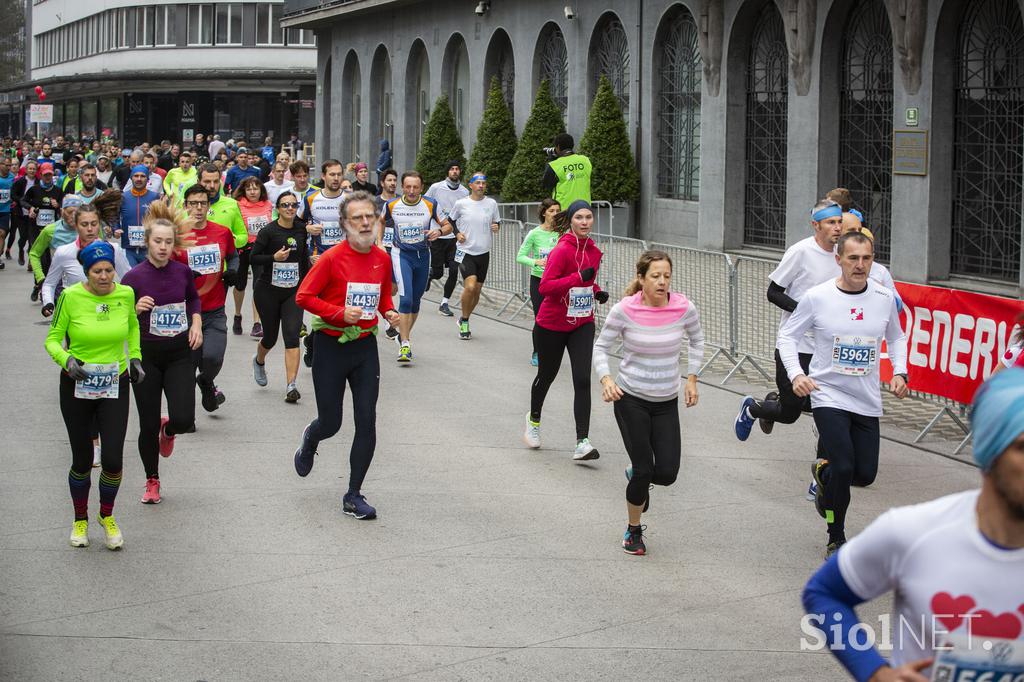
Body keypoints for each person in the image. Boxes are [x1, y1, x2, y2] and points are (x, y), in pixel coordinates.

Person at [802, 368, 1024, 681]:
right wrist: (875, 672)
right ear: (990, 451)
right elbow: (823, 593)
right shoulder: (913, 531)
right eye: (1022, 448)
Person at [779, 231, 908, 558]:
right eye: (853, 258)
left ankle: (824, 472)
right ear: (838, 260)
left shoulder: (882, 297)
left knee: (864, 473)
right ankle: (836, 535)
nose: (860, 265)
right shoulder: (818, 297)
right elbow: (787, 337)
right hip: (828, 395)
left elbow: (896, 338)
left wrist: (900, 371)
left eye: (867, 258)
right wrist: (796, 374)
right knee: (846, 465)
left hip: (865, 398)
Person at [292, 190, 400, 520]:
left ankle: (353, 494)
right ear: (344, 224)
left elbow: (381, 298)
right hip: (330, 344)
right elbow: (303, 297)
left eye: (370, 216)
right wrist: (340, 314)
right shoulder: (330, 259)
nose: (366, 222)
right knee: (332, 422)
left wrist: (390, 312)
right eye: (358, 218)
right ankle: (311, 437)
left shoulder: (381, 259)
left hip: (365, 346)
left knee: (367, 419)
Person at [593, 251, 704, 556]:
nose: (662, 281)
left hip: (666, 400)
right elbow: (601, 347)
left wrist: (691, 378)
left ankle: (638, 477)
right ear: (641, 278)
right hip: (631, 399)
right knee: (645, 469)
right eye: (655, 275)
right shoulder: (624, 309)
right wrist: (606, 380)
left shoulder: (683, 307)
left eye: (666, 275)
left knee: (666, 473)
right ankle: (633, 530)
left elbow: (697, 340)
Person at [44, 240, 145, 550]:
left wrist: (136, 357)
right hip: (77, 386)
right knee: (83, 459)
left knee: (113, 459)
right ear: (86, 273)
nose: (104, 277)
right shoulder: (71, 296)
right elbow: (52, 340)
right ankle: (80, 520)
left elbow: (131, 328)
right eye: (97, 272)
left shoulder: (125, 293)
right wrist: (67, 360)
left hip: (115, 384)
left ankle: (106, 515)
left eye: (109, 270)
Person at [734, 199, 844, 444]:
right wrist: (806, 312)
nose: (837, 227)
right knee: (790, 412)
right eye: (831, 223)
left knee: (827, 406)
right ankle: (753, 408)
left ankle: (827, 466)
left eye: (839, 222)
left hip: (827, 347)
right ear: (816, 225)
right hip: (796, 344)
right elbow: (773, 292)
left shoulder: (843, 254)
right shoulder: (800, 251)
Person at [121, 202, 202, 505]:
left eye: (169, 242)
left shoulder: (182, 272)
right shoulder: (133, 278)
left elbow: (193, 300)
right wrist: (133, 308)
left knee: (184, 419)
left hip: (180, 353)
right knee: (147, 423)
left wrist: (196, 324)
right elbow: (118, 316)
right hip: (147, 358)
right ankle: (151, 479)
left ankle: (170, 429)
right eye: (158, 241)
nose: (164, 247)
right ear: (147, 242)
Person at [523, 200, 609, 460]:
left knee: (582, 379)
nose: (585, 222)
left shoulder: (595, 251)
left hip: (582, 322)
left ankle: (582, 441)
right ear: (571, 220)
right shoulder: (561, 250)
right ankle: (533, 421)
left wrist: (596, 291)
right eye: (579, 217)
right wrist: (578, 278)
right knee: (547, 375)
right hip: (551, 324)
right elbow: (545, 287)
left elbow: (587, 282)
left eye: (589, 217)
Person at [173, 184, 239, 413]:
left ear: (209, 206)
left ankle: (207, 381)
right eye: (193, 203)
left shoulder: (221, 232)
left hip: (214, 308)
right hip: (185, 311)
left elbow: (233, 257)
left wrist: (233, 270)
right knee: (188, 364)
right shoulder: (177, 235)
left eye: (203, 203)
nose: (198, 208)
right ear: (185, 206)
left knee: (212, 357)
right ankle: (187, 417)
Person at [383, 171, 450, 362]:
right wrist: (380, 243)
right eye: (408, 187)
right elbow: (380, 222)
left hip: (423, 255)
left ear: (421, 188)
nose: (411, 191)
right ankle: (405, 344)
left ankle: (403, 337)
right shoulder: (392, 205)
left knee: (416, 301)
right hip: (401, 254)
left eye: (415, 187)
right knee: (406, 299)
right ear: (402, 187)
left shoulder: (430, 204)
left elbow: (448, 226)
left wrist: (439, 231)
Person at [249, 191, 309, 402]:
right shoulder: (268, 232)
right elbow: (253, 258)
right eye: (285, 205)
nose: (290, 209)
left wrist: (311, 266)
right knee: (271, 338)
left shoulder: (301, 230)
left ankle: (291, 385)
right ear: (278, 208)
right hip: (268, 292)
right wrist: (273, 258)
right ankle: (259, 360)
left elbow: (302, 259)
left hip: (293, 291)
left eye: (293, 205)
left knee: (292, 335)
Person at [41, 202, 131, 314]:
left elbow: (129, 280)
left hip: (105, 311)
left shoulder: (113, 249)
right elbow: (49, 284)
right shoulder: (63, 252)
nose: (89, 229)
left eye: (94, 224)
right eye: (84, 224)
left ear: (99, 225)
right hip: (75, 312)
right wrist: (48, 303)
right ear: (76, 226)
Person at [448, 172, 500, 340]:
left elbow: (497, 221)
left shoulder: (491, 203)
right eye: (477, 183)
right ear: (470, 185)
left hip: (483, 252)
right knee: (469, 287)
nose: (481, 186)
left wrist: (496, 226)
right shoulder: (461, 203)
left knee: (477, 290)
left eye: (483, 183)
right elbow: (451, 220)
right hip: (465, 251)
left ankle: (465, 318)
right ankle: (464, 322)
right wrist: (457, 234)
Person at [516, 198, 562, 365]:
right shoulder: (534, 233)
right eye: (551, 211)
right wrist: (536, 262)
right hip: (539, 281)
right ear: (544, 213)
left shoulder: (562, 233)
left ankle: (553, 351)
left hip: (558, 282)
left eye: (557, 211)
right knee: (541, 318)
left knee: (557, 317)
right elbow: (519, 257)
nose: (555, 214)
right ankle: (537, 351)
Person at [424, 161, 469, 317]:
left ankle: (444, 303)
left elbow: (466, 212)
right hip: (438, 234)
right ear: (447, 172)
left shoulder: (464, 192)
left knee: (454, 270)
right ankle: (430, 275)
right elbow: (425, 204)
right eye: (452, 169)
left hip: (454, 237)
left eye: (457, 169)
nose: (455, 171)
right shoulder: (436, 187)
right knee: (438, 273)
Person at [234, 176, 274, 337]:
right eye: (249, 188)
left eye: (255, 188)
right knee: (240, 285)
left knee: (258, 286)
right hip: (243, 249)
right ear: (244, 190)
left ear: (261, 190)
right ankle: (237, 315)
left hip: (261, 250)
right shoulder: (237, 205)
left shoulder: (268, 205)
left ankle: (257, 323)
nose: (252, 191)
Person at [116, 165, 161, 267]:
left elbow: (160, 219)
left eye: (142, 176)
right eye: (136, 176)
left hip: (148, 248)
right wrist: (116, 228)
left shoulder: (154, 196)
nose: (139, 179)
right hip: (128, 248)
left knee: (147, 278)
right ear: (131, 178)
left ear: (148, 179)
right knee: (131, 278)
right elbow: (115, 216)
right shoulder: (123, 197)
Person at [304, 159, 346, 256]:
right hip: (319, 256)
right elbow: (296, 222)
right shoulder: (310, 198)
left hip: (343, 255)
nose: (336, 178)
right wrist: (307, 227)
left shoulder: (351, 199)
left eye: (339, 174)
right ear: (323, 176)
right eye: (332, 174)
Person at [542, 133, 592, 209]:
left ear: (558, 147)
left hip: (564, 211)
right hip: (584, 209)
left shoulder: (555, 165)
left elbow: (546, 184)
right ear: (573, 145)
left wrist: (551, 159)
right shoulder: (586, 160)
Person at [9, 159, 36, 269]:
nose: (32, 171)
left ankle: (30, 261)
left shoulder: (38, 182)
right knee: (23, 237)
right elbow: (13, 195)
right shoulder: (20, 181)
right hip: (21, 214)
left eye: (34, 169)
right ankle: (21, 249)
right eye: (30, 168)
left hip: (33, 214)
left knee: (31, 238)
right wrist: (22, 201)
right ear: (26, 170)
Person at [0, 156, 13, 271]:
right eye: (6, 165)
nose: (8, 167)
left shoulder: (13, 178)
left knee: (2, 234)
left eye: (10, 165)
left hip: (5, 211)